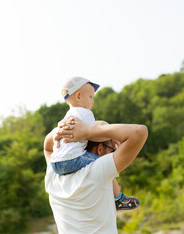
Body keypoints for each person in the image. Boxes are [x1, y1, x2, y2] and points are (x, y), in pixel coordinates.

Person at [44, 117, 148, 233]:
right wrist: (88, 131)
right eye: (112, 150)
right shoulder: (97, 171)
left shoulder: (52, 175)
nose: (113, 153)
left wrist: (64, 130)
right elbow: (139, 132)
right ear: (100, 149)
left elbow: (48, 147)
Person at [50, 76, 140, 210]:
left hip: (55, 163)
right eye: (91, 97)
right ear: (79, 96)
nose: (93, 101)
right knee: (106, 166)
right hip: (72, 159)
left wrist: (56, 140)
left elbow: (54, 141)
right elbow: (95, 134)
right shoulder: (85, 113)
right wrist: (112, 135)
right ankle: (119, 199)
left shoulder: (66, 117)